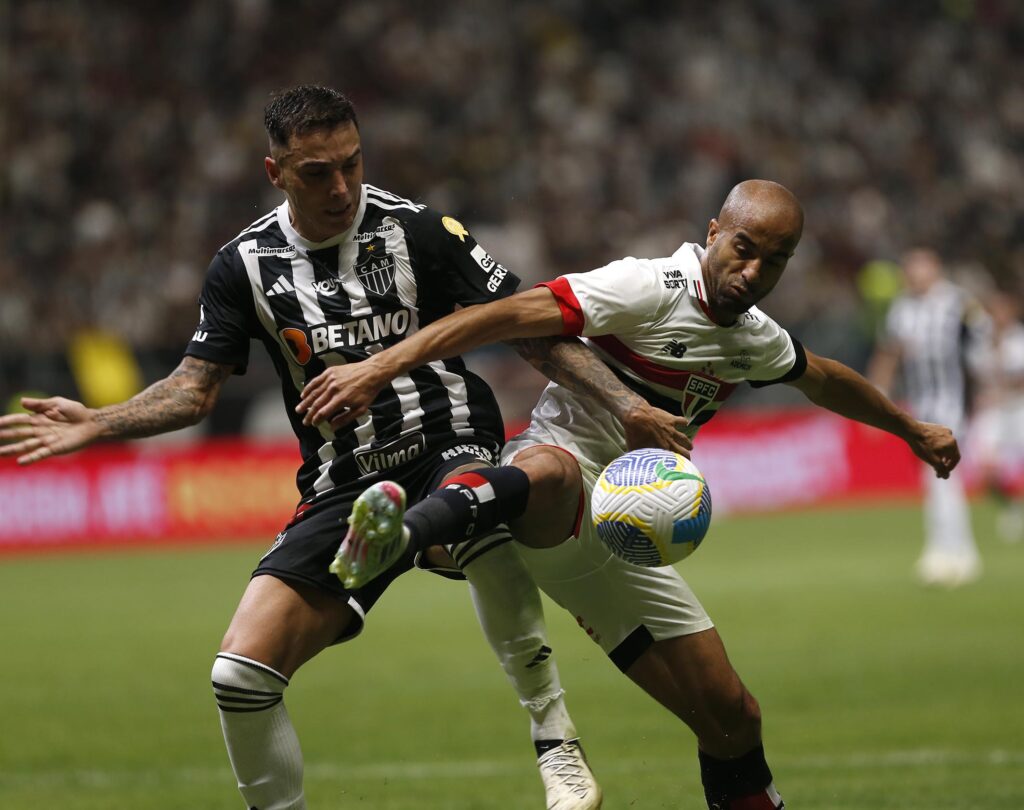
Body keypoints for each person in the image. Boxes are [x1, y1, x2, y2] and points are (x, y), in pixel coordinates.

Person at [0, 85, 613, 810]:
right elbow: (195, 391)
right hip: (343, 481)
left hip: (449, 438)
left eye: (352, 164)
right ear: (275, 172)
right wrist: (98, 422)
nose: (342, 186)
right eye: (318, 172)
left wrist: (624, 405)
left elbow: (531, 326)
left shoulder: (417, 229)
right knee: (239, 676)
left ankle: (555, 740)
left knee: (467, 520)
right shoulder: (243, 265)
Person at [301, 180, 961, 810]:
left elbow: (822, 378)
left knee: (732, 717)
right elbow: (502, 315)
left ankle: (464, 532)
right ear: (713, 233)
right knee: (552, 475)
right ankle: (409, 536)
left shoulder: (752, 337)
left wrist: (911, 428)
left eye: (776, 261)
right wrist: (380, 366)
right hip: (553, 475)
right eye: (744, 249)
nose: (754, 272)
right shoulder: (645, 285)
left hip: (625, 535)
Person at [867, 248, 988, 586]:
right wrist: (877, 396)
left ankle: (955, 552)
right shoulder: (903, 309)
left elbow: (980, 348)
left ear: (935, 268)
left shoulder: (959, 304)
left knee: (943, 475)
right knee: (937, 478)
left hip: (955, 404)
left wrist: (983, 396)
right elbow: (890, 353)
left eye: (921, 267)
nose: (915, 275)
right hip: (921, 405)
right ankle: (949, 550)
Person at [969, 289, 1024, 542]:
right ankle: (1011, 507)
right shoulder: (980, 344)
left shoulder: (1018, 340)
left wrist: (1003, 390)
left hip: (1018, 409)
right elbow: (976, 376)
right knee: (987, 471)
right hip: (993, 412)